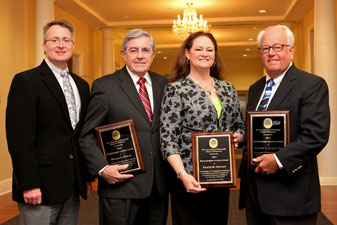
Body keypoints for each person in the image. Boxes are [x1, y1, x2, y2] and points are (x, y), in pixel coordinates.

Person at [239, 25, 330, 225]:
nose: (271, 53)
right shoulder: (255, 89)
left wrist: (279, 160)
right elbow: (261, 129)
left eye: (278, 47)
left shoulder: (312, 84)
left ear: (291, 50)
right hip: (255, 194)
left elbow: (316, 135)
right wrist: (244, 137)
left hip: (292, 194)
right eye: (265, 48)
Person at [79, 29, 169, 225]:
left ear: (153, 54)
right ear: (123, 53)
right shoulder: (105, 86)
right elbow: (86, 135)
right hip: (120, 187)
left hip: (157, 187)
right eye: (133, 50)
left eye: (145, 50)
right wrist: (103, 168)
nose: (139, 56)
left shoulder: (165, 85)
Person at [6, 19, 91, 225]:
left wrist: (85, 176)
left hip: (71, 185)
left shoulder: (81, 85)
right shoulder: (27, 81)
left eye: (65, 40)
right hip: (40, 186)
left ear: (72, 45)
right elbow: (19, 139)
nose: (60, 45)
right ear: (44, 45)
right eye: (54, 40)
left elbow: (80, 135)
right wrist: (29, 184)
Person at [160, 31, 245, 225]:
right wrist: (182, 175)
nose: (204, 53)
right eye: (198, 49)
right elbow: (167, 138)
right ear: (187, 54)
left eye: (209, 49)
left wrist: (238, 137)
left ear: (215, 55)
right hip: (189, 177)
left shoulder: (227, 88)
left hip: (221, 175)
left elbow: (240, 126)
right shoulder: (176, 89)